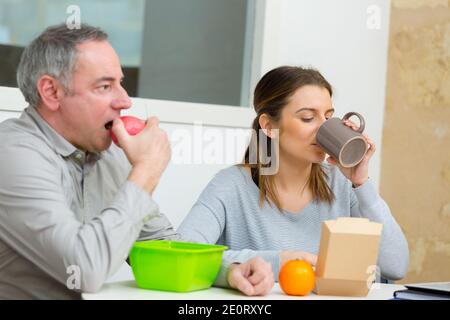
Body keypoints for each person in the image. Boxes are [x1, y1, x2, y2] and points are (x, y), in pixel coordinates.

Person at [0, 24, 273, 299]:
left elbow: (159, 245)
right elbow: (83, 270)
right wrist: (146, 171)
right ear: (51, 92)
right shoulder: (13, 153)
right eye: (104, 86)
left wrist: (229, 271)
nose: (124, 101)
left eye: (121, 84)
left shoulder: (108, 155)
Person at [178, 66, 410, 281]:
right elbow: (182, 254)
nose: (323, 128)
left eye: (329, 118)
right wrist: (278, 262)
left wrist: (361, 183)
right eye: (308, 117)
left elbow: (395, 267)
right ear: (269, 126)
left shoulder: (341, 183)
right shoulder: (232, 185)